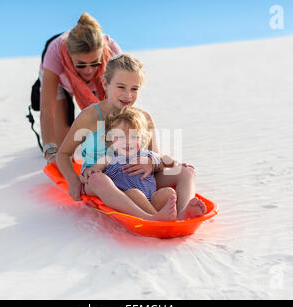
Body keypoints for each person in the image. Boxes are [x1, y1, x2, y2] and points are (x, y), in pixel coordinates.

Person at [56, 54, 207, 221]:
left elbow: (155, 155)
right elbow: (63, 154)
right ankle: (149, 218)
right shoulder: (90, 117)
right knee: (100, 180)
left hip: (139, 179)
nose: (128, 95)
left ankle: (182, 213)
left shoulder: (143, 118)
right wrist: (73, 181)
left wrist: (151, 163)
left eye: (134, 89)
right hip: (102, 181)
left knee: (186, 171)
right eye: (121, 87)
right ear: (106, 84)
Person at [85, 106, 206, 220]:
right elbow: (96, 169)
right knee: (135, 193)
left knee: (170, 192)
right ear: (110, 141)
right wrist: (91, 170)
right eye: (121, 138)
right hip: (129, 199)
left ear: (140, 139)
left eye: (133, 137)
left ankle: (182, 213)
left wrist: (177, 164)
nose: (127, 142)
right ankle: (155, 217)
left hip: (152, 198)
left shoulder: (146, 154)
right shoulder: (109, 158)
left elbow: (164, 159)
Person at [39, 13, 121, 163]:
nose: (88, 70)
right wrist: (50, 150)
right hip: (61, 82)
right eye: (81, 64)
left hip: (100, 82)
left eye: (94, 63)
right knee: (63, 145)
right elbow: (47, 109)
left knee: (109, 130)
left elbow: (123, 102)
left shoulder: (113, 52)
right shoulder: (55, 53)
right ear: (70, 56)